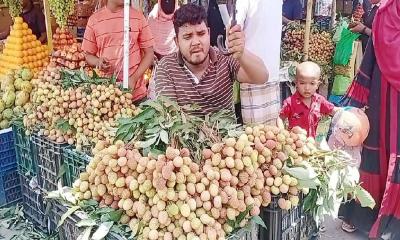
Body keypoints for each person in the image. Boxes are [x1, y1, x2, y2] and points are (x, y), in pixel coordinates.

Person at [339, 0, 400, 238]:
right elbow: (386, 47)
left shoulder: (387, 11)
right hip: (386, 94)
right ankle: (368, 215)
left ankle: (375, 217)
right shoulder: (388, 10)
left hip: (385, 91)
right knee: (382, 147)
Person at [154, 3, 268, 117]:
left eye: (201, 34)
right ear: (177, 41)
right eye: (188, 37)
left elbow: (262, 77)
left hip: (227, 134)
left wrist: (241, 53)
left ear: (208, 34)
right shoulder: (166, 67)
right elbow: (170, 116)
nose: (196, 42)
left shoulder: (225, 59)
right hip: (185, 134)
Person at [82, 0, 154, 102]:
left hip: (136, 95)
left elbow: (149, 53)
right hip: (106, 95)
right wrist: (98, 62)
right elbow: (88, 55)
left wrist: (133, 79)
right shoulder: (94, 20)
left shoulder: (138, 17)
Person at [236, 0, 282, 124]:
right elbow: (233, 34)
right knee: (253, 135)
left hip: (272, 75)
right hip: (251, 75)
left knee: (272, 134)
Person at [278, 62, 339, 137]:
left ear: (317, 85)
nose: (307, 88)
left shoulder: (320, 100)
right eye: (302, 83)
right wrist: (282, 132)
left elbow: (333, 111)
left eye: (312, 83)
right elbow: (280, 118)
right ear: (296, 83)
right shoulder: (290, 102)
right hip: (296, 143)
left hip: (313, 144)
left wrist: (348, 111)